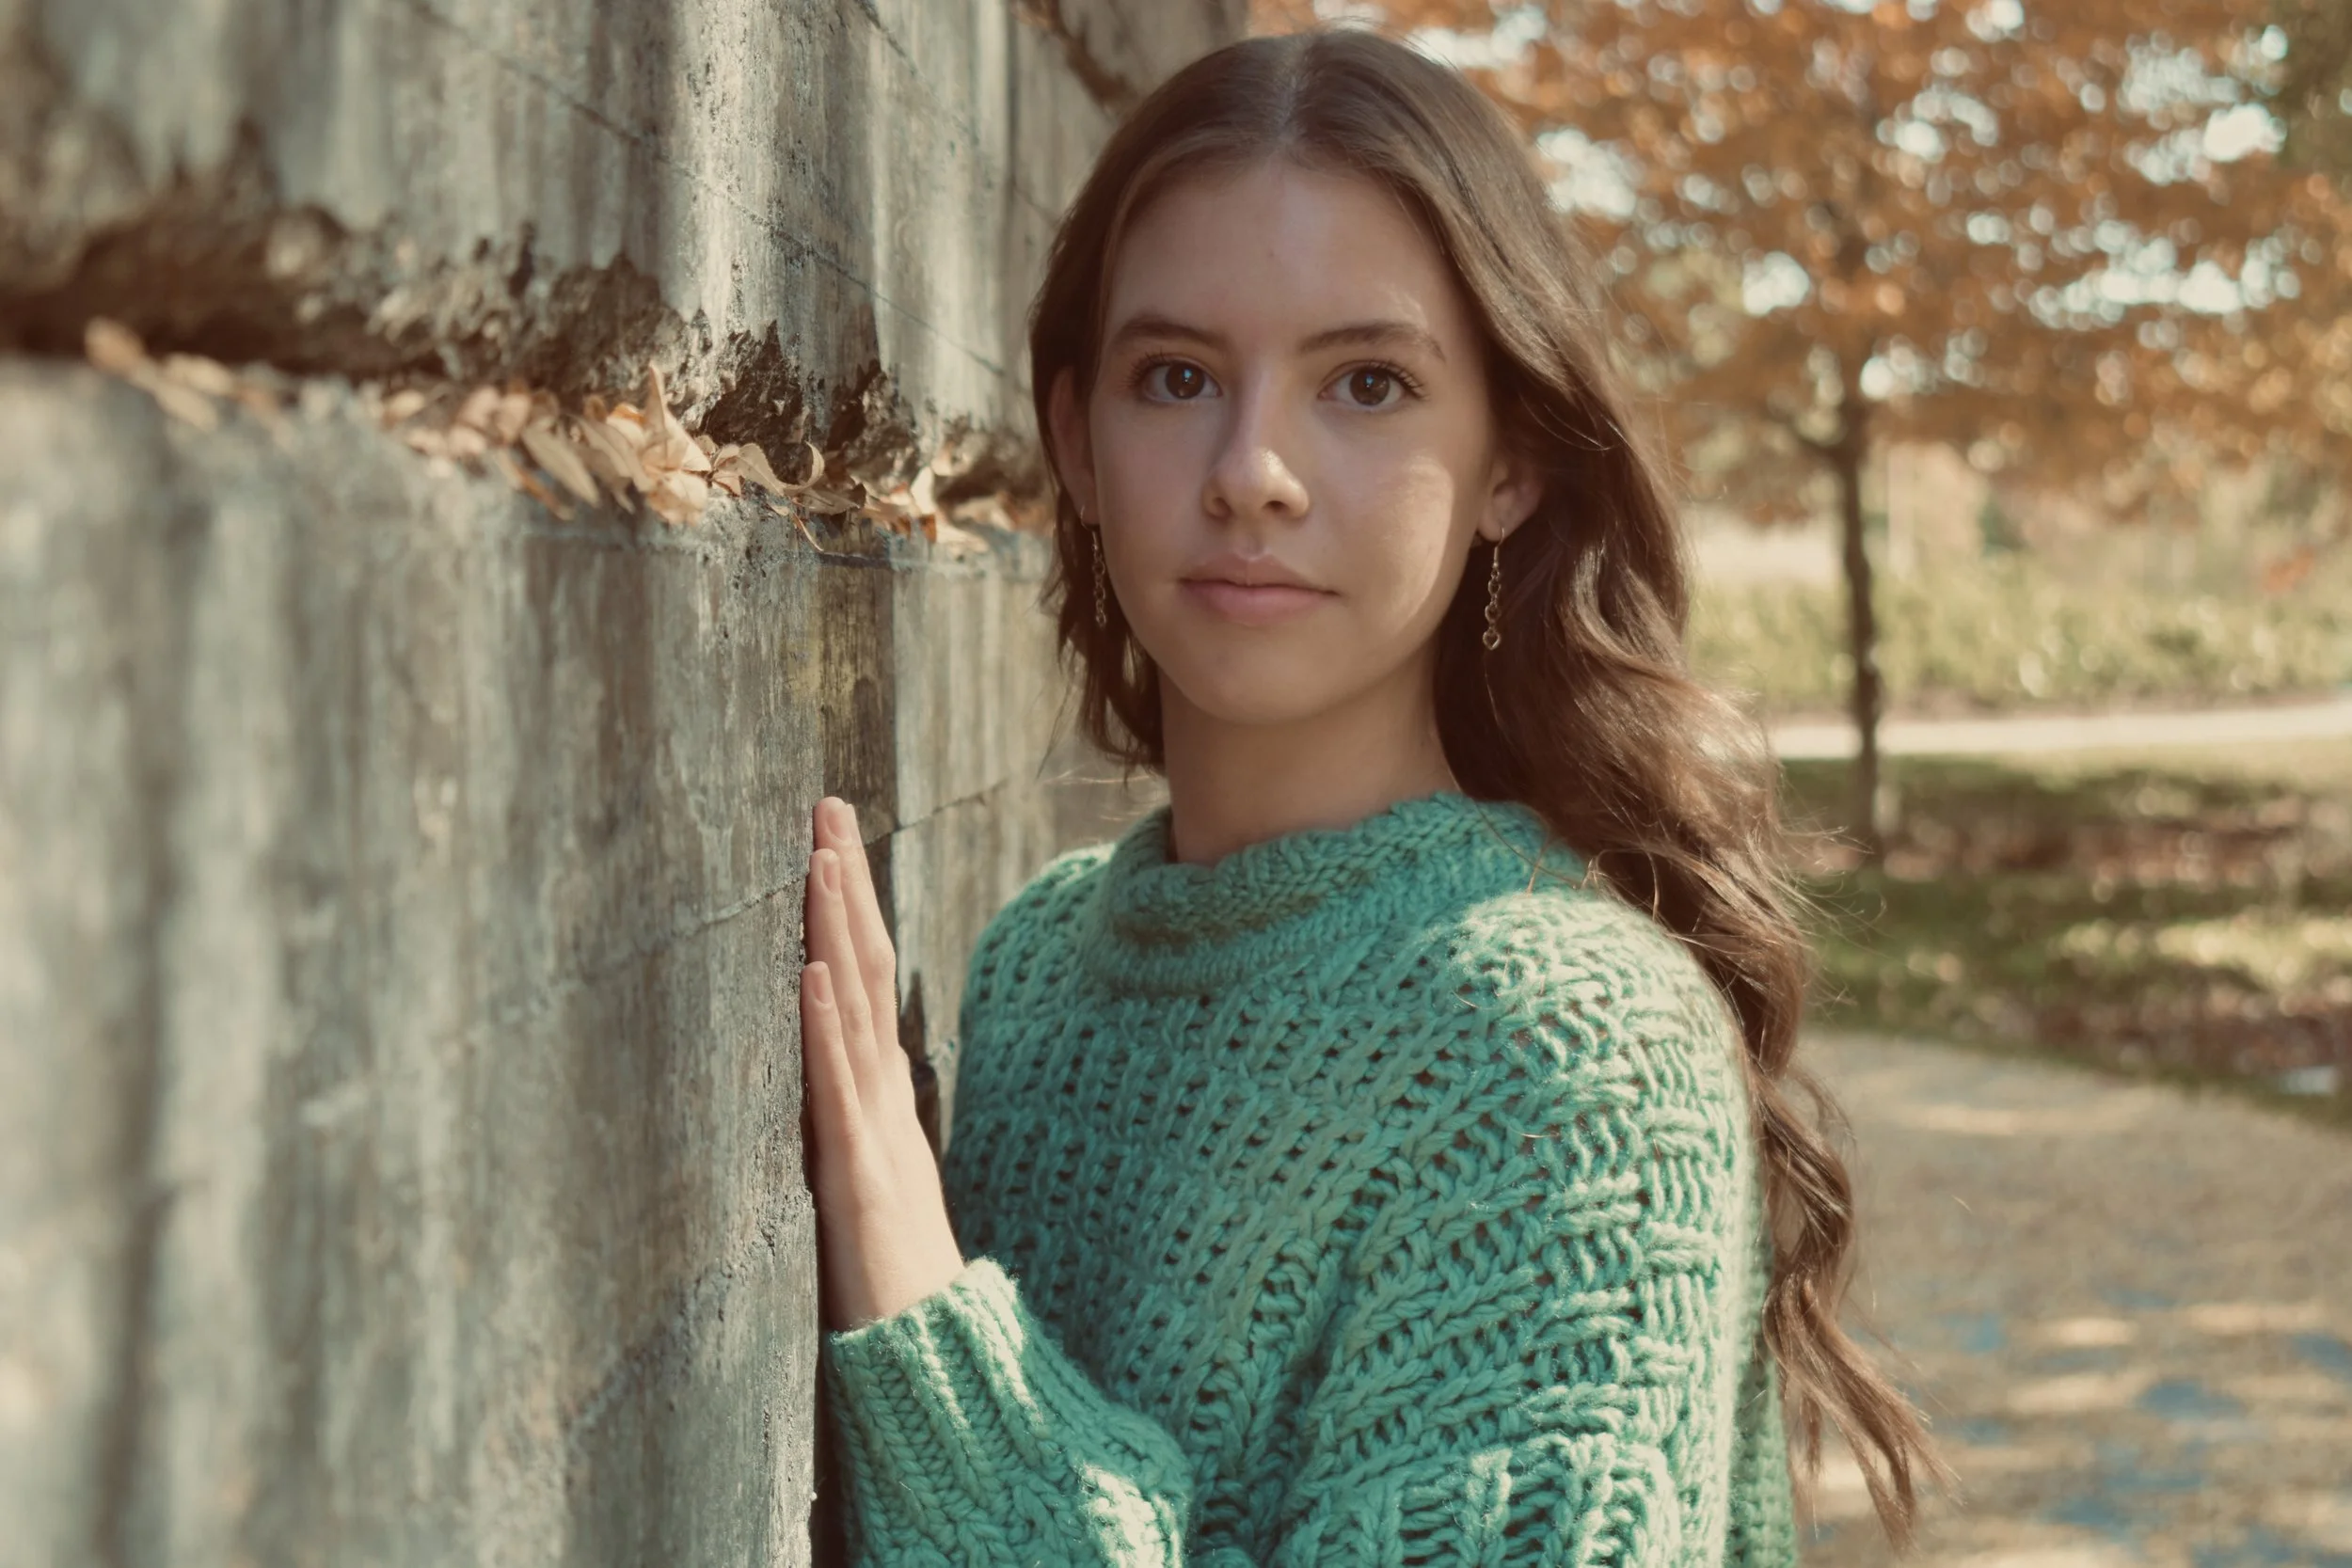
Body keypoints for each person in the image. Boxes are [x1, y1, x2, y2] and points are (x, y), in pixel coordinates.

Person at [795, 24, 1950, 1565]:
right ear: (1076, 438)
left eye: (1367, 383)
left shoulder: (1562, 1052)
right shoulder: (1041, 972)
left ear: (1511, 466)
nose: (1251, 467)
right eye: (1178, 374)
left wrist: (937, 1345)